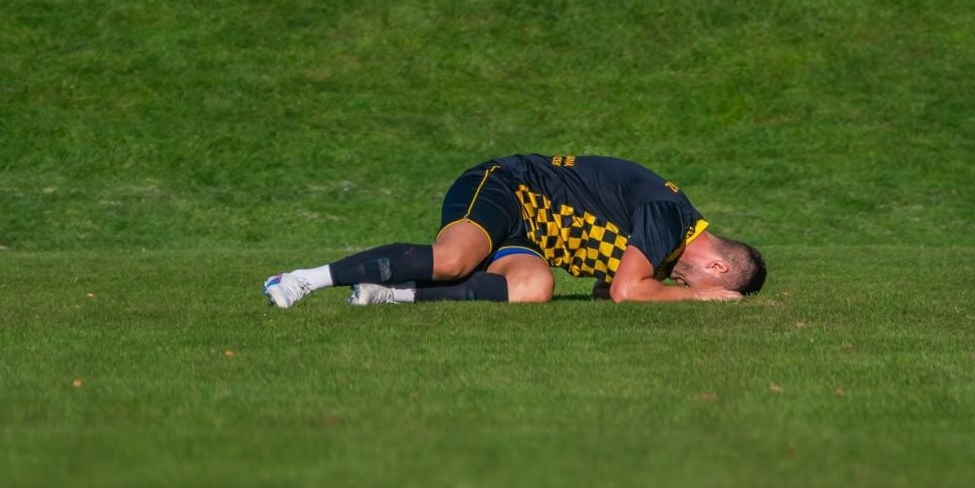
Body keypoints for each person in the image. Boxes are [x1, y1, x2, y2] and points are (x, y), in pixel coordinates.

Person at [263, 154, 764, 307]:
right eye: (695, 283)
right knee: (453, 259)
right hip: (508, 187)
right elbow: (627, 290)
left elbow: (608, 284)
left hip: (529, 233)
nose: (680, 284)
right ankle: (304, 279)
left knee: (534, 287)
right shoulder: (668, 215)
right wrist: (697, 301)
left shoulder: (667, 240)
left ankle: (387, 295)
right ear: (716, 266)